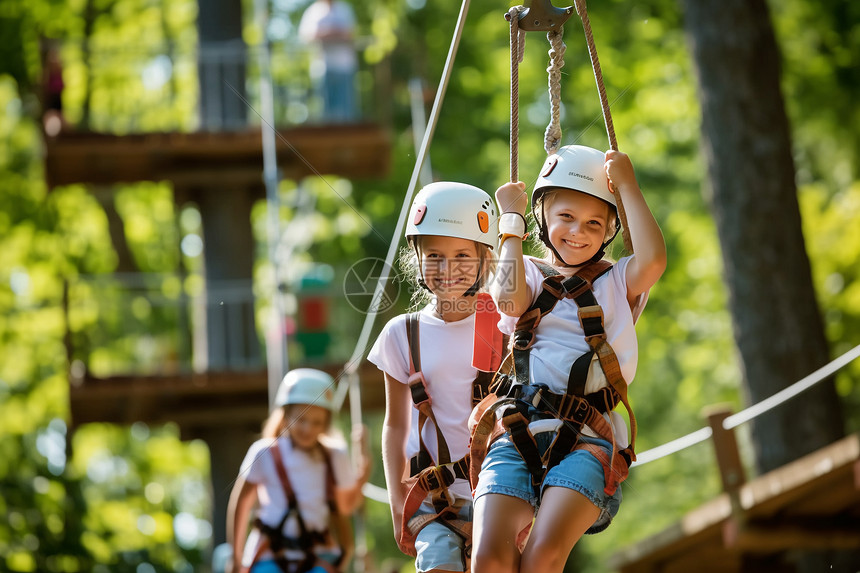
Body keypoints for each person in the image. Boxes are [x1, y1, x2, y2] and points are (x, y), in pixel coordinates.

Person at [470, 145, 667, 573]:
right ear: (543, 219)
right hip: (518, 428)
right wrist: (510, 224)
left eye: (594, 223)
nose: (578, 232)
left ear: (611, 231)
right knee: (487, 558)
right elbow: (506, 299)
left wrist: (628, 187)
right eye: (565, 218)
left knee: (542, 555)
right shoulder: (526, 273)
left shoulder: (617, 282)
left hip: (589, 440)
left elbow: (653, 260)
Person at [368, 182, 504, 572]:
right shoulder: (402, 334)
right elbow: (395, 426)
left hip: (501, 495)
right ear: (418, 258)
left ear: (484, 258)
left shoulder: (503, 325)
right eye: (434, 256)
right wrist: (397, 501)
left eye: (463, 254)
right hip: (434, 499)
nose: (448, 269)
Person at [227, 368, 370, 573]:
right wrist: (236, 555)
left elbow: (346, 507)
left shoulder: (334, 455)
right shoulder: (264, 452)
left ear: (326, 423)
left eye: (317, 422)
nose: (307, 429)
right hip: (269, 555)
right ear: (285, 415)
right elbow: (241, 505)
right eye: (300, 420)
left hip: (317, 556)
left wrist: (363, 472)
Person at [298, 0, 358, 122]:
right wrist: (333, 33)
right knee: (325, 111)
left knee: (347, 110)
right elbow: (306, 37)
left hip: (345, 66)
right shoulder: (313, 11)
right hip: (322, 67)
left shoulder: (345, 9)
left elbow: (351, 34)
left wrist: (326, 34)